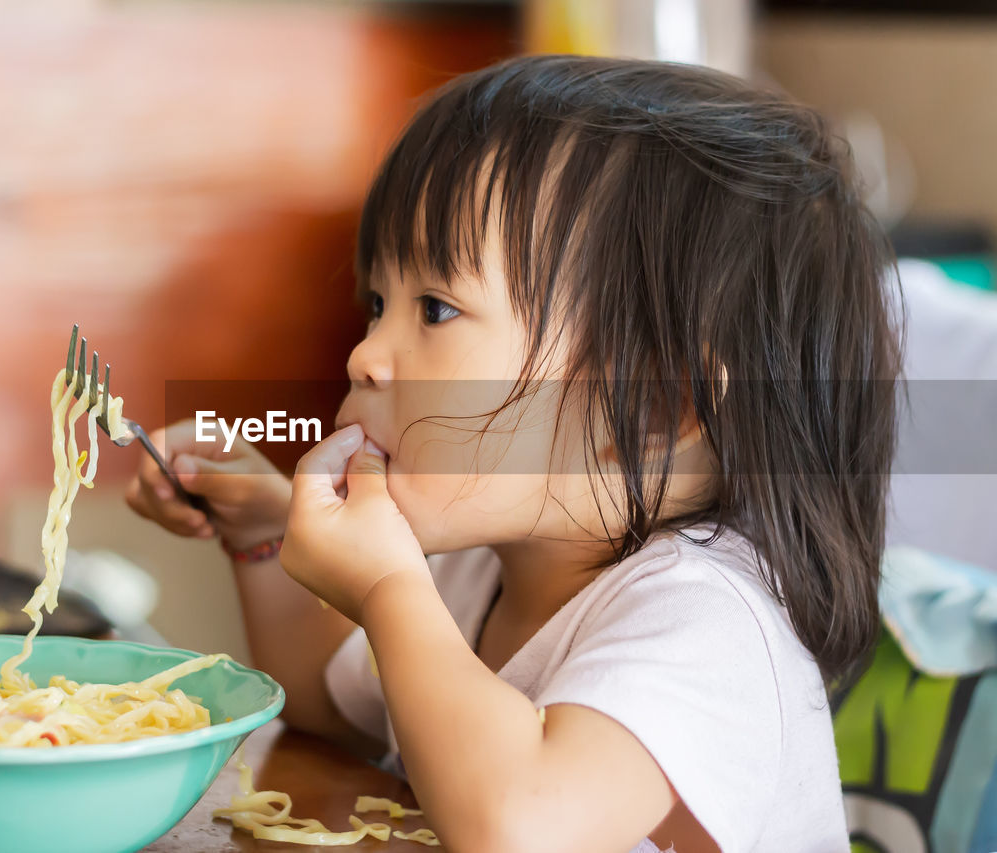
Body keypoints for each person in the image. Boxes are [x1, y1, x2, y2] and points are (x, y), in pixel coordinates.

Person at [126, 55, 902, 853]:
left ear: (652, 410)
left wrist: (390, 588)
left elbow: (519, 825)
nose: (365, 355)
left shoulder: (709, 624)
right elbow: (333, 709)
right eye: (378, 303)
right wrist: (263, 536)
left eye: (435, 308)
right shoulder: (481, 569)